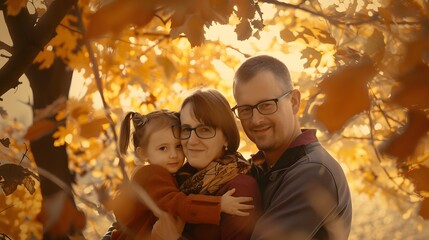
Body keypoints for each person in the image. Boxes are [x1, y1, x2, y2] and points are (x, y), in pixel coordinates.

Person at [232, 55, 352, 240]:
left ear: (294, 102)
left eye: (266, 105)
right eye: (246, 109)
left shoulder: (313, 172)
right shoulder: (258, 168)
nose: (256, 120)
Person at [105, 110, 254, 240]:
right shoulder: (150, 174)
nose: (173, 155)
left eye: (178, 146)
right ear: (143, 153)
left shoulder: (177, 174)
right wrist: (219, 205)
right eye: (163, 148)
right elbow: (177, 204)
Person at [163, 88, 262, 240]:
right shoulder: (178, 181)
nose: (192, 140)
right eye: (186, 129)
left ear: (226, 138)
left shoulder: (240, 188)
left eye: (205, 129)